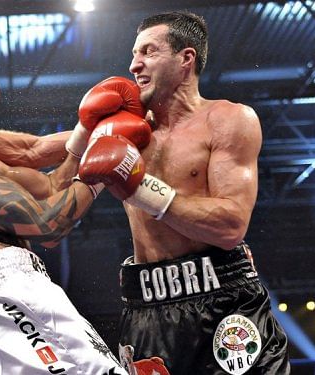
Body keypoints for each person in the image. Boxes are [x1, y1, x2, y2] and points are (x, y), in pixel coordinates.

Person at [0, 48, 170, 375]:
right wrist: (101, 176)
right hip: (9, 295)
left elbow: (49, 182)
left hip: (12, 296)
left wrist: (96, 132)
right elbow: (48, 225)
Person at [77, 11, 290, 375]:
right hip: (145, 307)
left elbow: (230, 227)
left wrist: (139, 186)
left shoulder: (228, 120)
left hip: (225, 301)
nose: (134, 64)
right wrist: (81, 134)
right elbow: (37, 155)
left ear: (185, 58)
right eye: (133, 54)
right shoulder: (123, 131)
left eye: (148, 51)